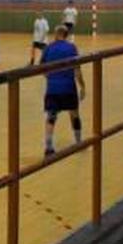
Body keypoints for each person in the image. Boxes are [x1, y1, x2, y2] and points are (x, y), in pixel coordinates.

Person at [40, 26, 86, 157]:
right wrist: (82, 86)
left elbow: (41, 68)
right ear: (66, 35)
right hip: (68, 87)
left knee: (51, 117)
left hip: (53, 88)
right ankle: (78, 143)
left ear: (56, 34)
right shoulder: (72, 48)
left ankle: (48, 148)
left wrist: (51, 78)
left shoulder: (48, 48)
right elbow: (77, 70)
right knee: (74, 114)